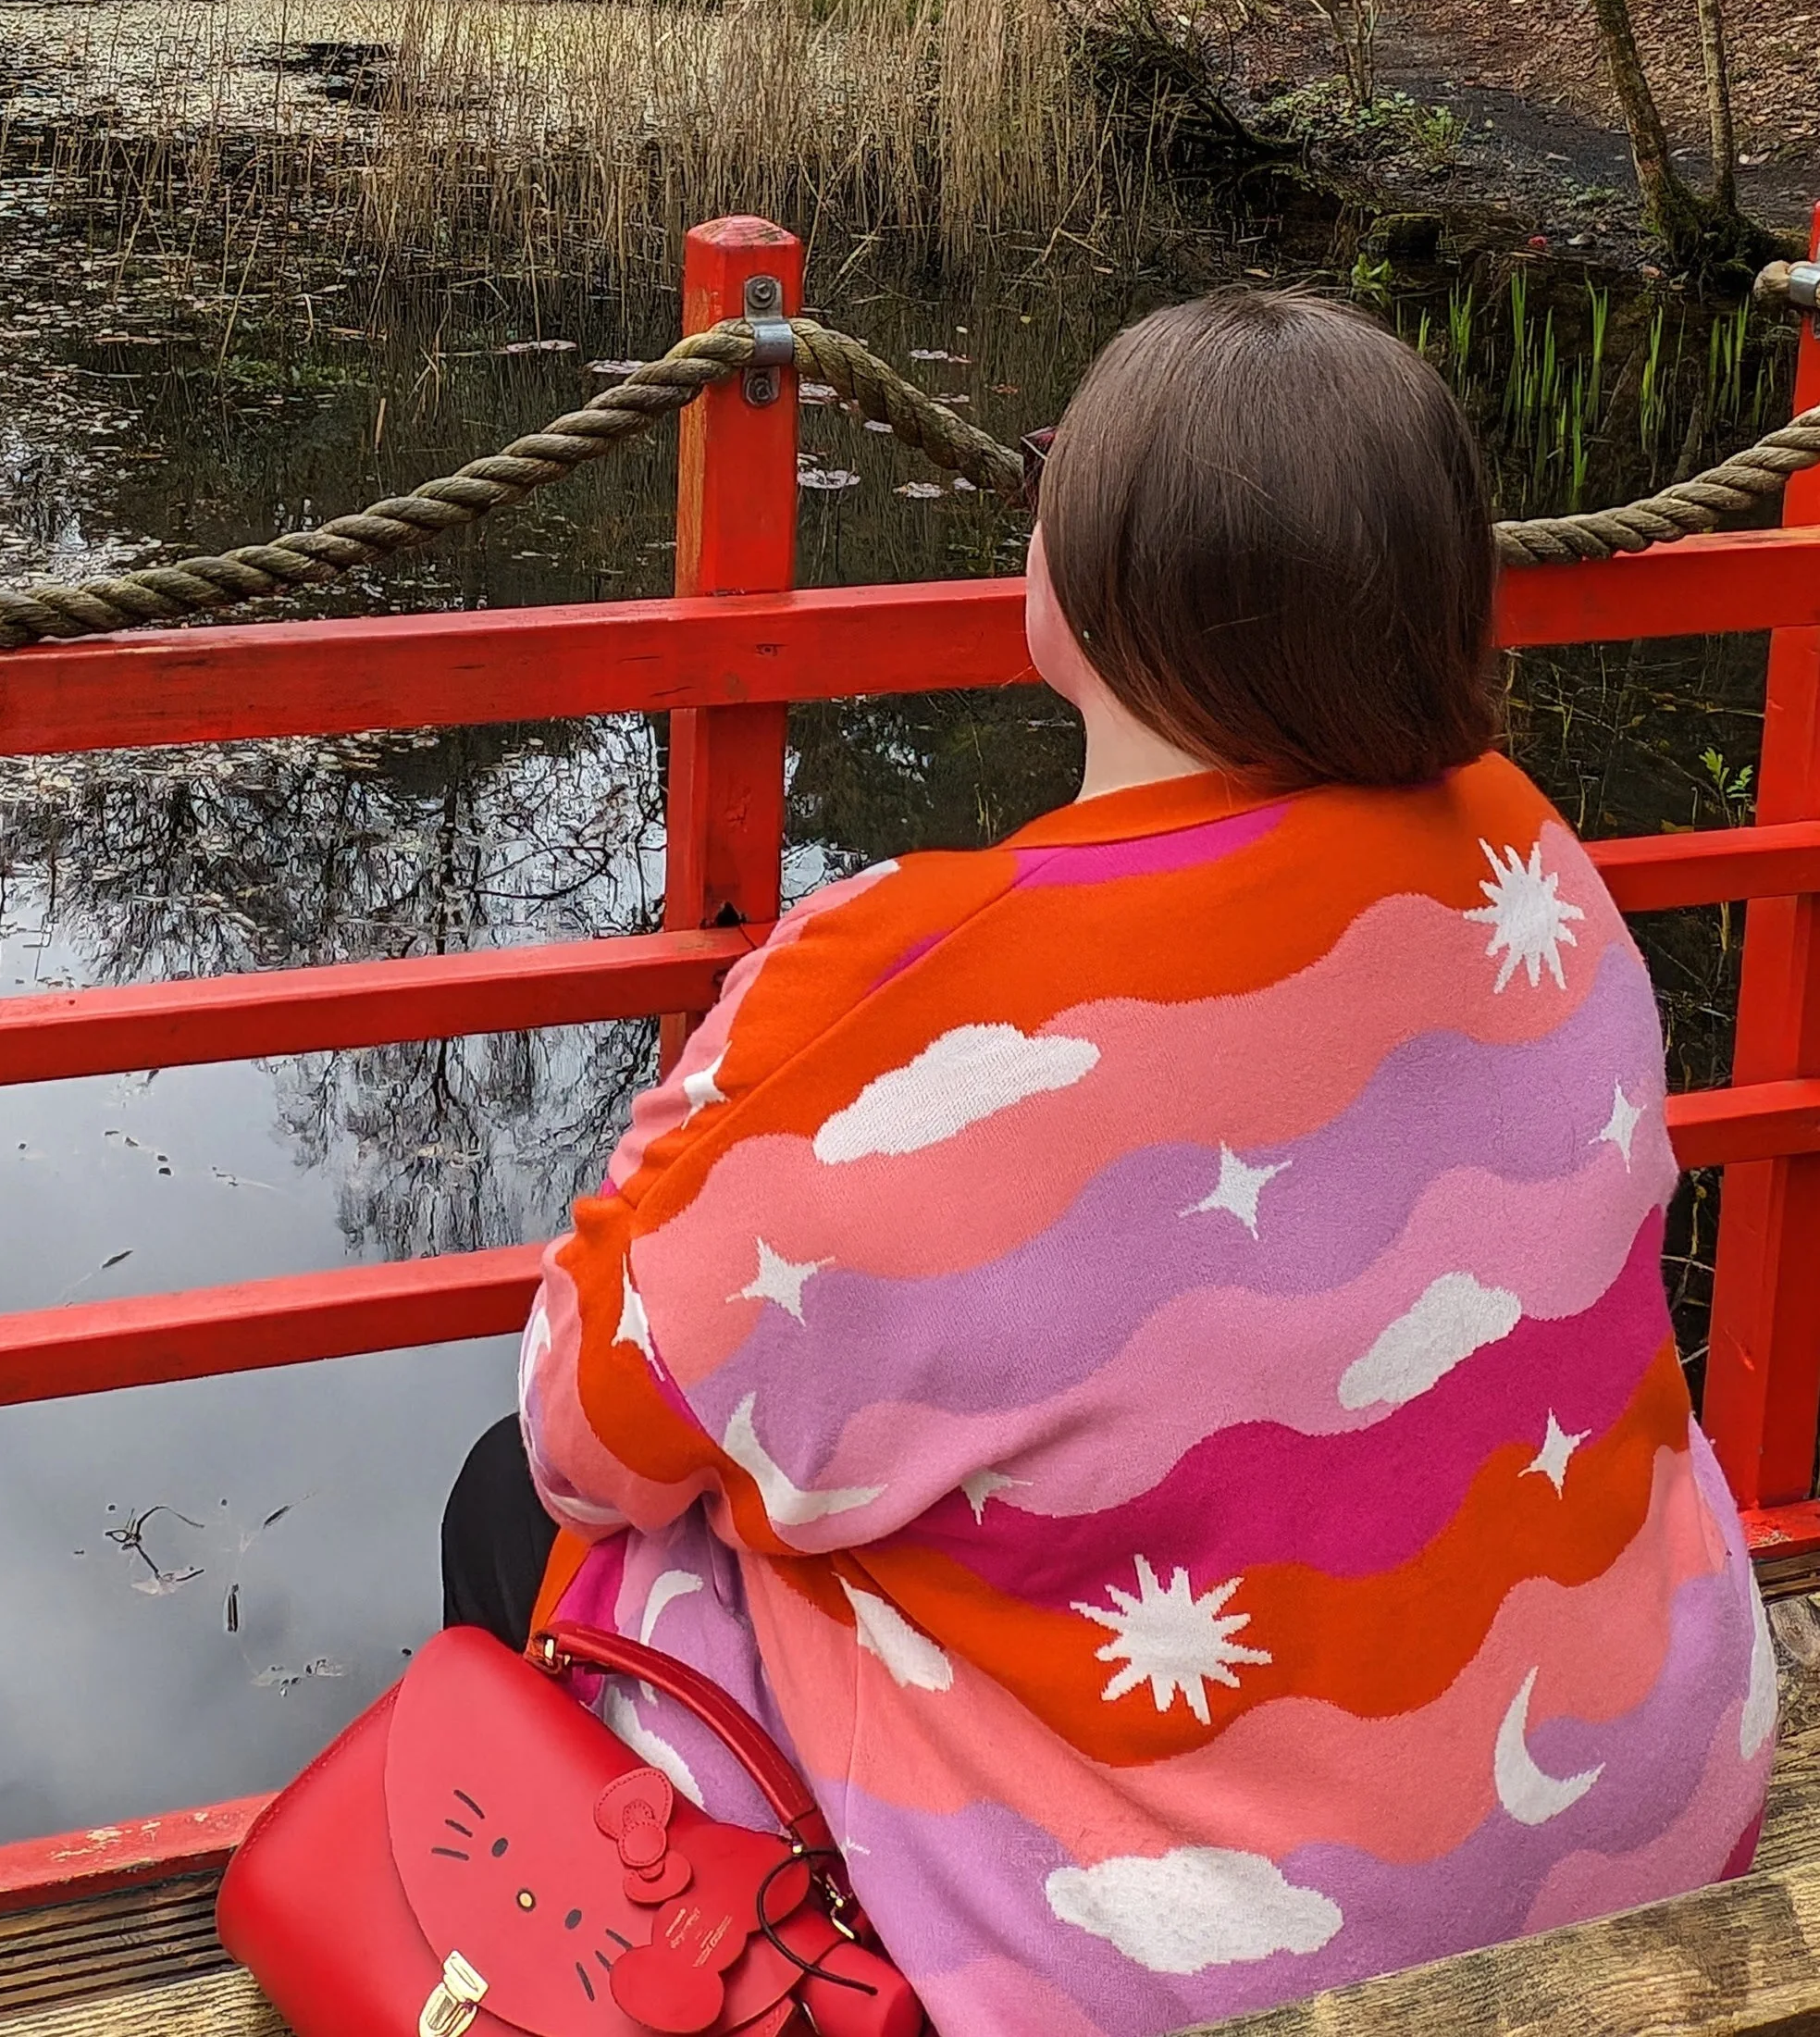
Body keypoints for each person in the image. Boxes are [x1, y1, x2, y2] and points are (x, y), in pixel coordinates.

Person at [444, 288, 1777, 2036]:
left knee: (501, 1507)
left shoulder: (904, 988)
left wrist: (725, 1068)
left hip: (1212, 1966)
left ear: (1076, 583)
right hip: (1654, 1809)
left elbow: (583, 1431)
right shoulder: (1533, 860)